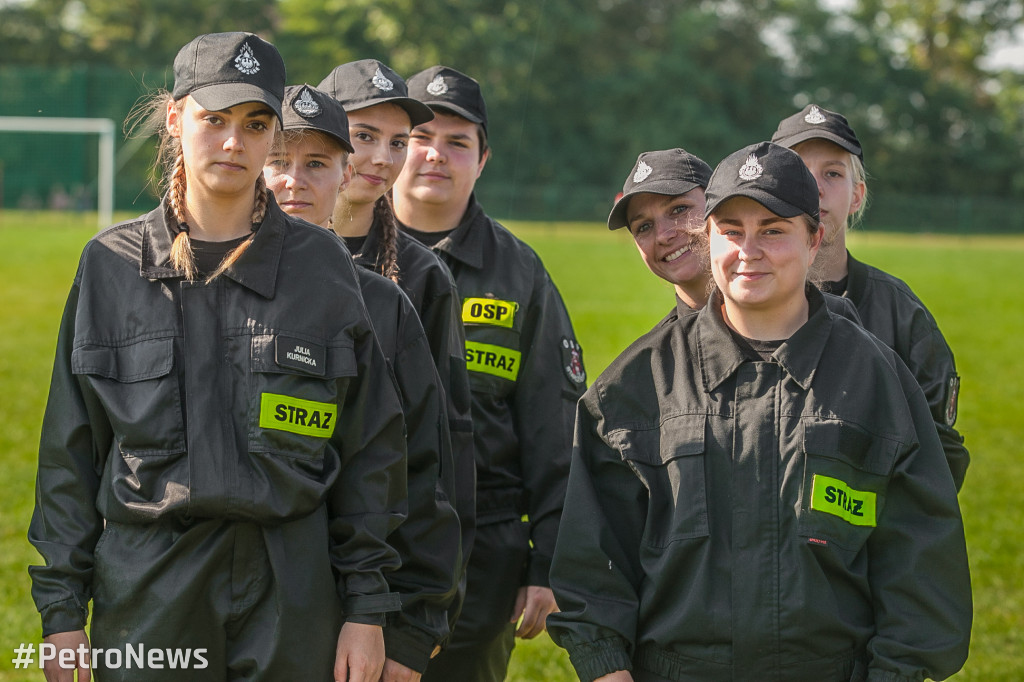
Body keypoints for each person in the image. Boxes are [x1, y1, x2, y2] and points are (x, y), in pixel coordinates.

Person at [28, 33, 407, 682]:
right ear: (176, 120)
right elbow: (72, 451)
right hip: (150, 583)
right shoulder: (112, 267)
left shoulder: (320, 265)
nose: (235, 142)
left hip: (292, 583)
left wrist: (367, 609)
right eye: (215, 121)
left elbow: (371, 445)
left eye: (255, 125)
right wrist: (62, 615)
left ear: (272, 136)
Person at [547, 141, 972, 682]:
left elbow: (921, 572)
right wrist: (606, 669)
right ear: (711, 238)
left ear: (814, 238)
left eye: (772, 229)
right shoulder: (632, 389)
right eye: (730, 230)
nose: (749, 249)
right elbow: (592, 568)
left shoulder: (878, 382)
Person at [263, 82, 463, 681]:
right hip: (195, 606)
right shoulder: (181, 282)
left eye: (317, 163)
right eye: (277, 160)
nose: (292, 180)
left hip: (335, 603)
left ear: (339, 172)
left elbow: (428, 470)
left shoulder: (390, 301)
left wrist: (408, 627)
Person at [393, 65, 587, 682]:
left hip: (482, 559)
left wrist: (547, 560)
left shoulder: (519, 273)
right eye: (420, 137)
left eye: (458, 142)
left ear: (483, 159)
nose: (435, 155)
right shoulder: (336, 251)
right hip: (355, 546)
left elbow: (556, 426)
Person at [317, 62, 477, 619]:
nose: (383, 159)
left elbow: (441, 449)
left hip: (376, 562)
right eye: (364, 137)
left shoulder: (423, 277)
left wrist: (421, 603)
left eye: (397, 142)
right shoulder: (263, 257)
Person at [771, 104, 969, 491]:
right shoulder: (741, 307)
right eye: (799, 172)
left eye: (833, 173)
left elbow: (939, 452)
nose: (816, 188)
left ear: (857, 196)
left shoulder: (901, 314)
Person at [607, 148, 863, 329]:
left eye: (679, 210)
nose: (663, 235)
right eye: (643, 227)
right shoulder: (655, 362)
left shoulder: (831, 321)